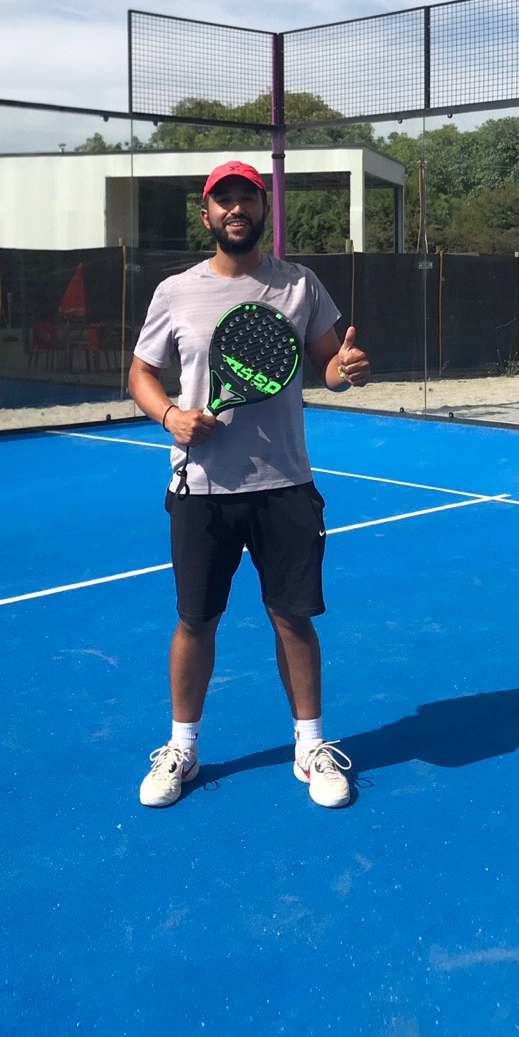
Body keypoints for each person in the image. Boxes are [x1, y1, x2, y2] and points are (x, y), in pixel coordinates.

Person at [128, 159, 371, 810]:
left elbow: (327, 366)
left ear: (264, 210)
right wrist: (171, 416)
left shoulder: (300, 284)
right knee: (195, 621)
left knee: (294, 618)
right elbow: (141, 372)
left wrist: (346, 369)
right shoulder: (176, 291)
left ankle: (310, 747)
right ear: (207, 213)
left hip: (285, 484)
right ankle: (182, 747)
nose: (236, 208)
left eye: (248, 198)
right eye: (224, 199)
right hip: (202, 488)